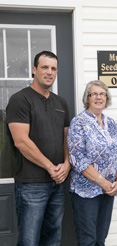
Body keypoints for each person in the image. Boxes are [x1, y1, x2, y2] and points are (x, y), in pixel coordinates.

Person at [6, 50, 70, 246]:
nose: (49, 72)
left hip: (58, 184)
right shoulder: (20, 100)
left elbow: (66, 138)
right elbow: (21, 141)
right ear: (34, 70)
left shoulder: (61, 102)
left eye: (53, 68)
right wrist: (51, 167)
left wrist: (67, 164)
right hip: (31, 184)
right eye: (44, 67)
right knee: (29, 240)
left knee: (53, 238)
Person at [67, 80, 117, 246]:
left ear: (106, 98)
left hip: (109, 190)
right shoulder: (78, 122)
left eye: (102, 94)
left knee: (101, 238)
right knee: (88, 240)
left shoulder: (111, 123)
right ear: (88, 98)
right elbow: (77, 158)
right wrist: (103, 182)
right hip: (86, 191)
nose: (99, 97)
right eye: (94, 94)